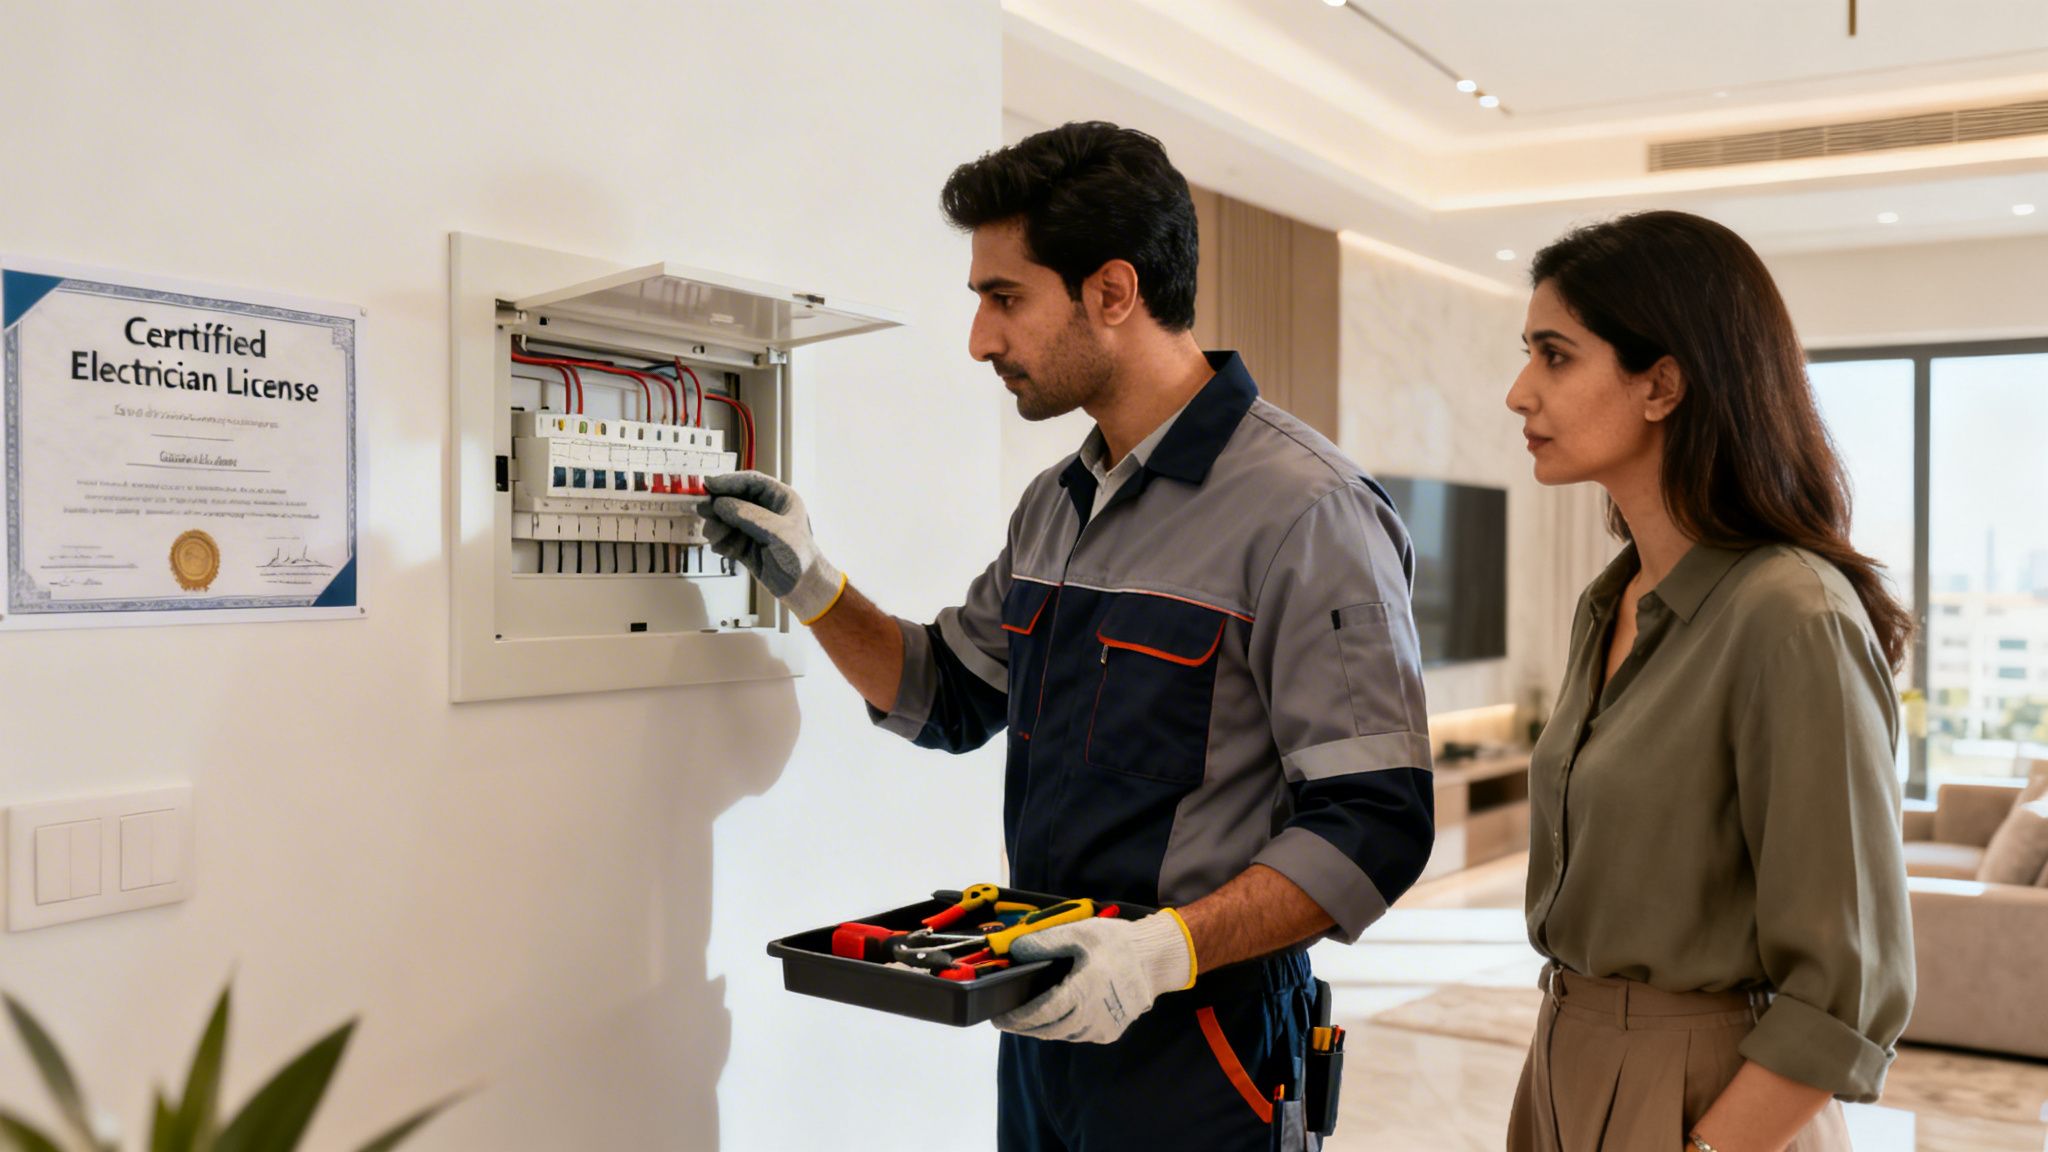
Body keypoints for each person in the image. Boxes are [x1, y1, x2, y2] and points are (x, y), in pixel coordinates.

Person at [702, 121, 1434, 1150]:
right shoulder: (1056, 503)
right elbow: (949, 693)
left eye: (1004, 299)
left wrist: (1158, 953)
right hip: (1045, 1021)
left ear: (1112, 292)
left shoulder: (1305, 513)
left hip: (1204, 1038)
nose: (981, 340)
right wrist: (813, 584)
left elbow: (1373, 824)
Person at [1503, 210, 1915, 1152]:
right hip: (1560, 1064)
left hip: (1716, 1104)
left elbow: (1846, 990)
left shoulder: (1790, 617)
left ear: (1663, 385)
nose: (1520, 393)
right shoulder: (1611, 604)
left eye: (1555, 356)